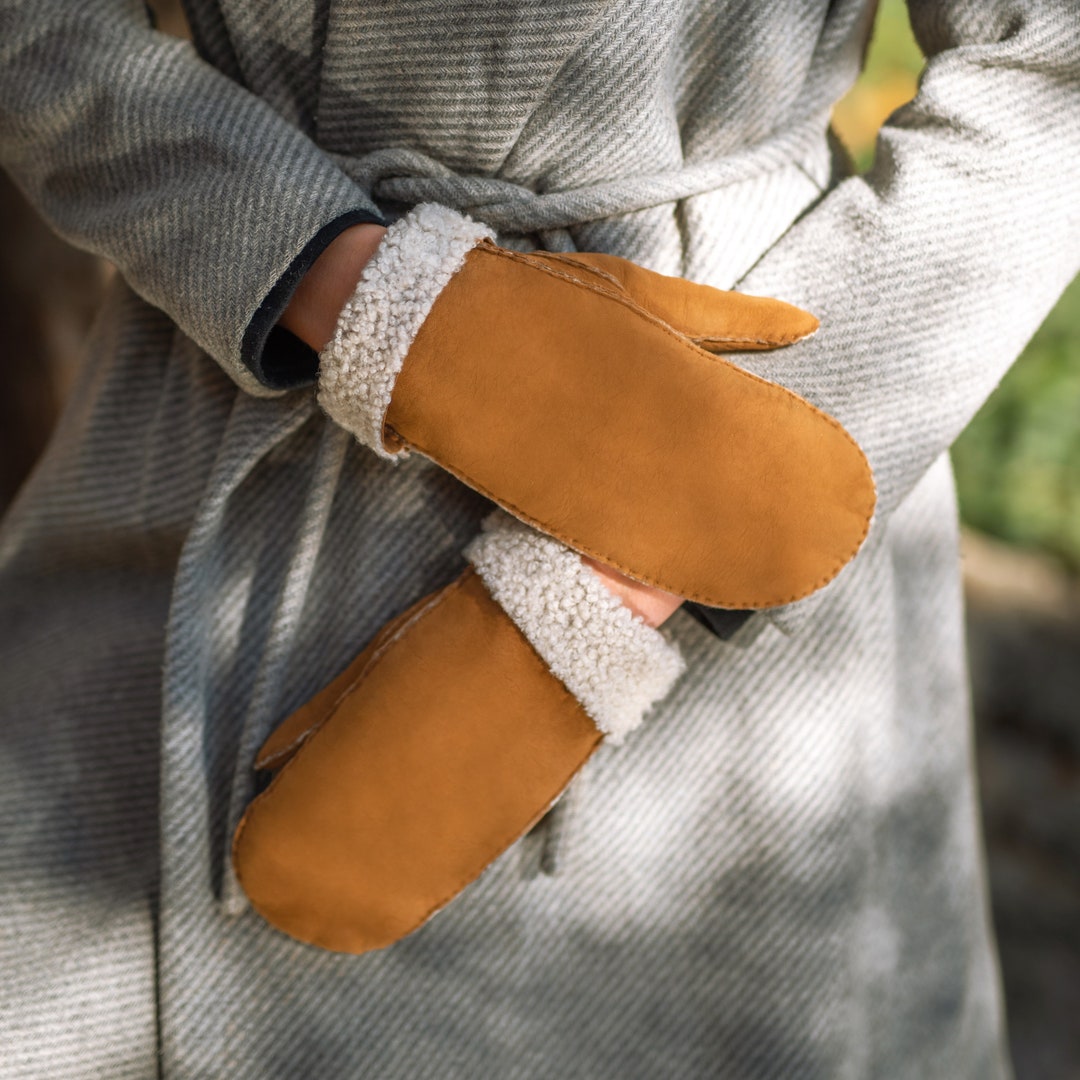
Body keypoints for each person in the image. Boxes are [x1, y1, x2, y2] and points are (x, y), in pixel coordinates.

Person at [0, 1, 1077, 1075]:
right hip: (218, 361)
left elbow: (1053, 61)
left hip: (742, 387)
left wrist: (657, 554)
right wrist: (361, 294)